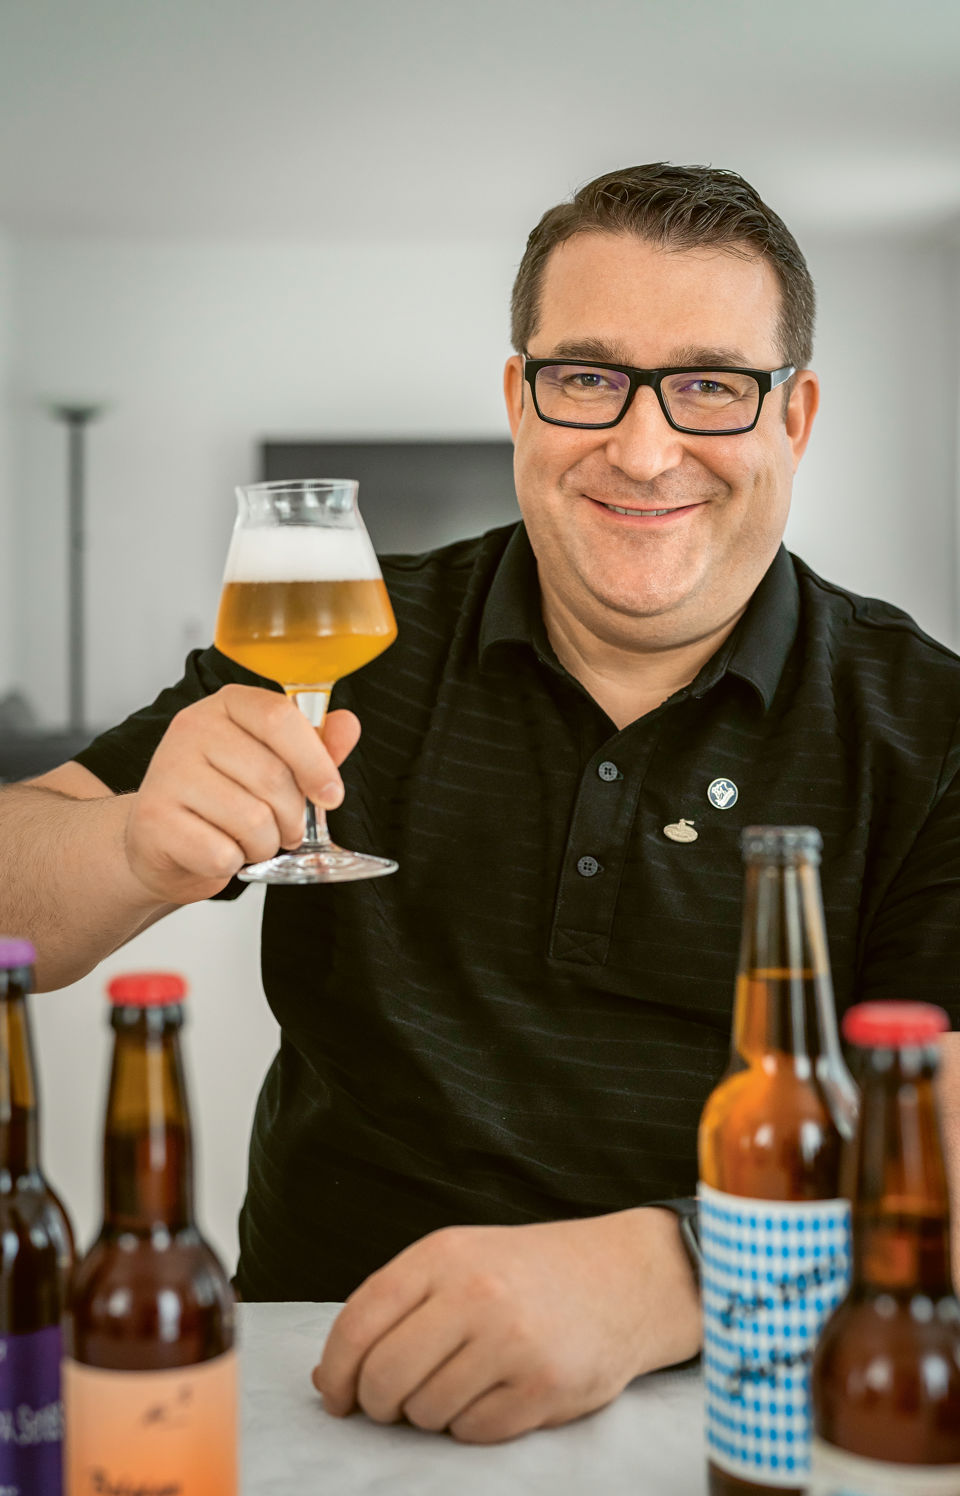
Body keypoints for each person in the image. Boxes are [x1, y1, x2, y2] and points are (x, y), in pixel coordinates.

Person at [3, 163, 960, 1444]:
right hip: (321, 1375)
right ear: (520, 396)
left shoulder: (930, 725)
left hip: (770, 1380)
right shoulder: (340, 637)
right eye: (586, 377)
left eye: (713, 385)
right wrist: (128, 842)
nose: (643, 442)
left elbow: (941, 1124)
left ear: (795, 417)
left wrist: (672, 1273)